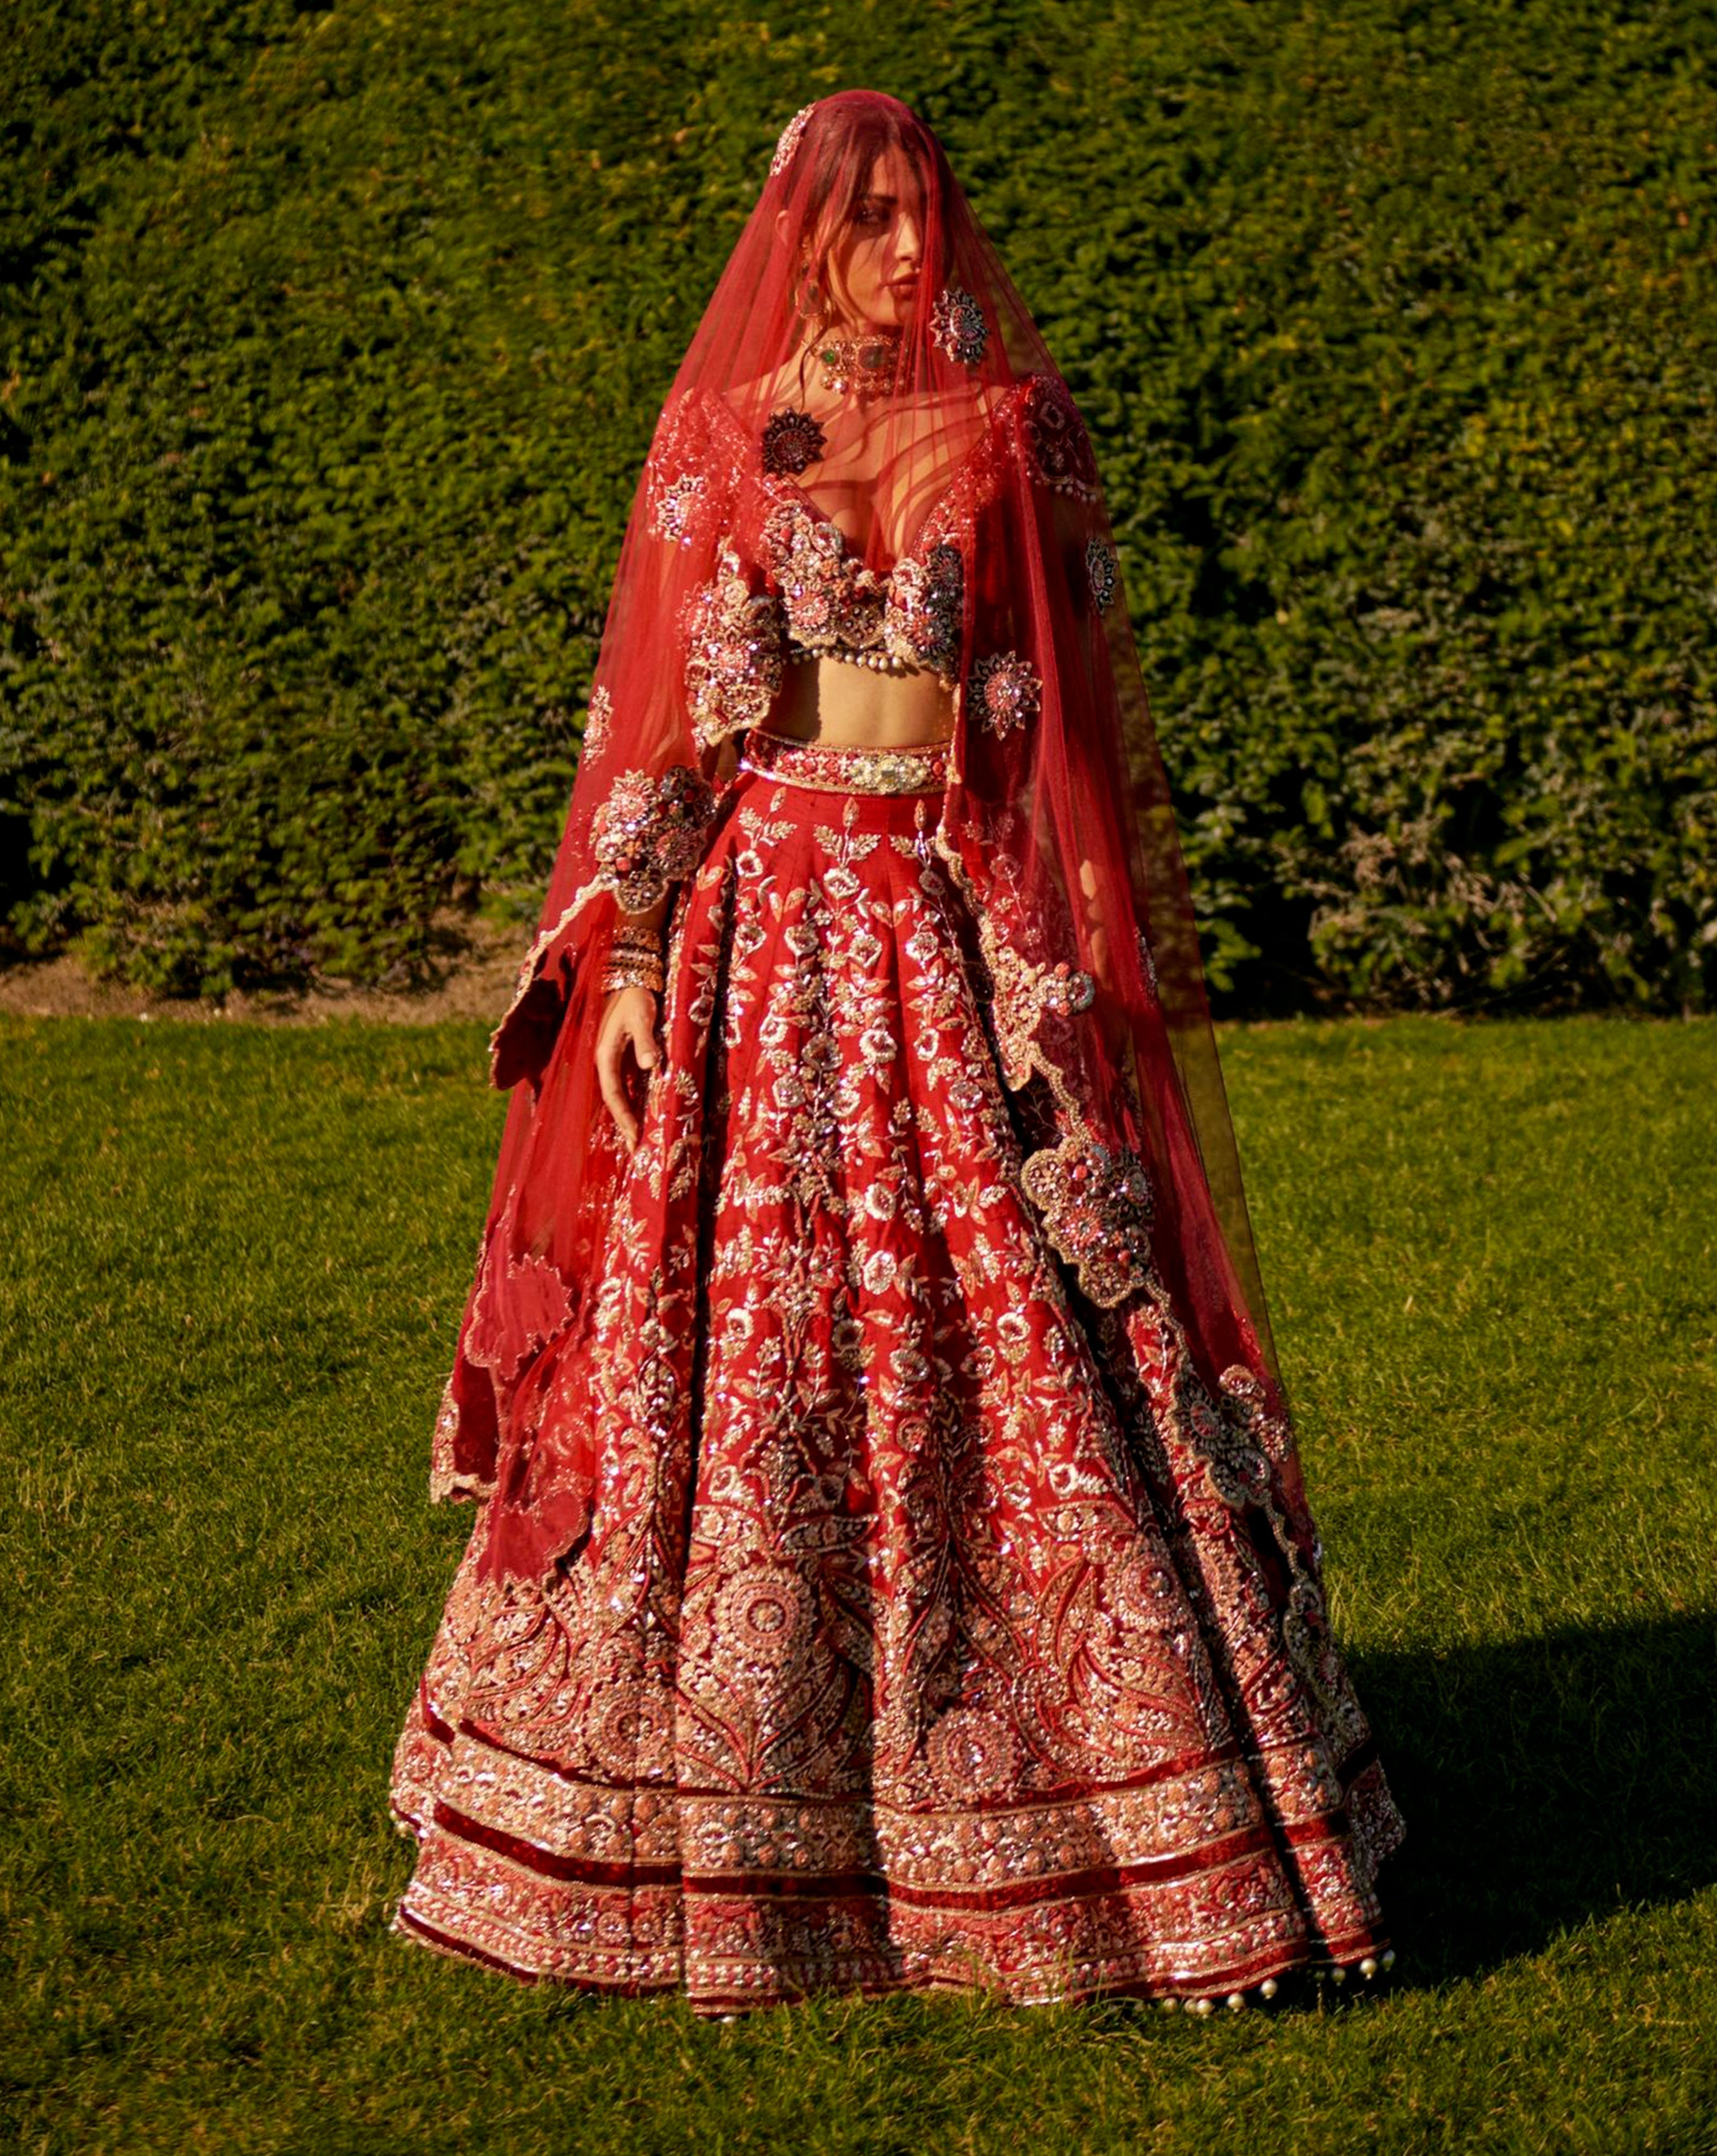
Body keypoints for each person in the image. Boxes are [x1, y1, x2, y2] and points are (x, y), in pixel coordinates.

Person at [388, 89, 1403, 2021]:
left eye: (917, 221)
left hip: (939, 916)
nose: (897, 259)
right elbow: (668, 728)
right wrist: (621, 975)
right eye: (860, 228)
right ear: (801, 235)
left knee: (1009, 1325)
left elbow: (1058, 740)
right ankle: (722, 1791)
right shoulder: (725, 433)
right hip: (763, 927)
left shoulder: (1001, 434)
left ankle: (1084, 1773)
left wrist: (1069, 960)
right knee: (746, 1343)